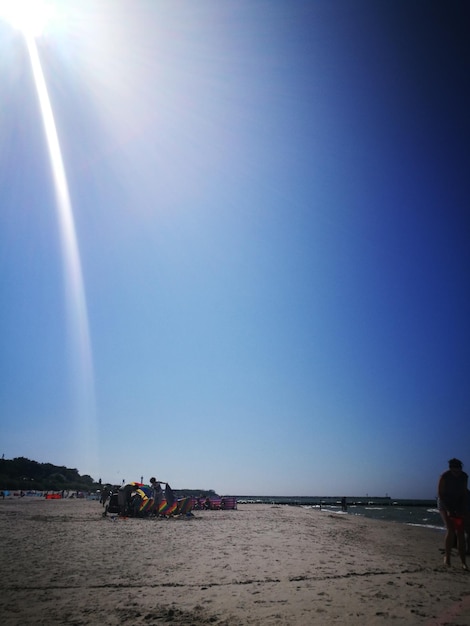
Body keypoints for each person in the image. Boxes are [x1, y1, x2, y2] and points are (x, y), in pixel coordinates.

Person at [437, 458, 468, 569]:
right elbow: (440, 494)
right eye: (454, 471)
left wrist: (462, 509)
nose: (457, 473)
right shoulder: (444, 476)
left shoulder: (464, 476)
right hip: (444, 504)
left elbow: (464, 493)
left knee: (460, 531)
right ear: (450, 469)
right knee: (450, 529)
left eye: (458, 470)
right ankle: (447, 558)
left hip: (458, 504)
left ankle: (463, 561)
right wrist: (449, 509)